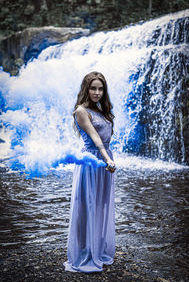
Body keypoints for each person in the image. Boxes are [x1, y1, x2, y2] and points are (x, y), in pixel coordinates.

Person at [63, 71, 116, 273]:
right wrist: (107, 158)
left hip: (104, 161)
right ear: (86, 89)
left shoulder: (102, 109)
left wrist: (109, 158)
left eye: (100, 88)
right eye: (93, 88)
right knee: (87, 205)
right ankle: (83, 253)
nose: (97, 92)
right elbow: (95, 138)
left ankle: (97, 248)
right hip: (91, 162)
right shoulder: (81, 111)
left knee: (101, 204)